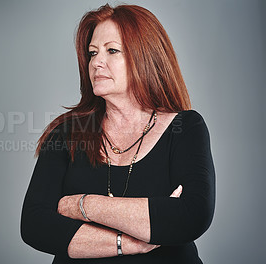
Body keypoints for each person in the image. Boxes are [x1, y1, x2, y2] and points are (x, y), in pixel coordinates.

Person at [21, 4, 215, 264]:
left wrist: (83, 205)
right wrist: (129, 242)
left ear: (145, 56)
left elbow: (191, 216)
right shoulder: (66, 133)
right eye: (92, 53)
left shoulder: (185, 128)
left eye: (112, 50)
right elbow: (34, 224)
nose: (96, 63)